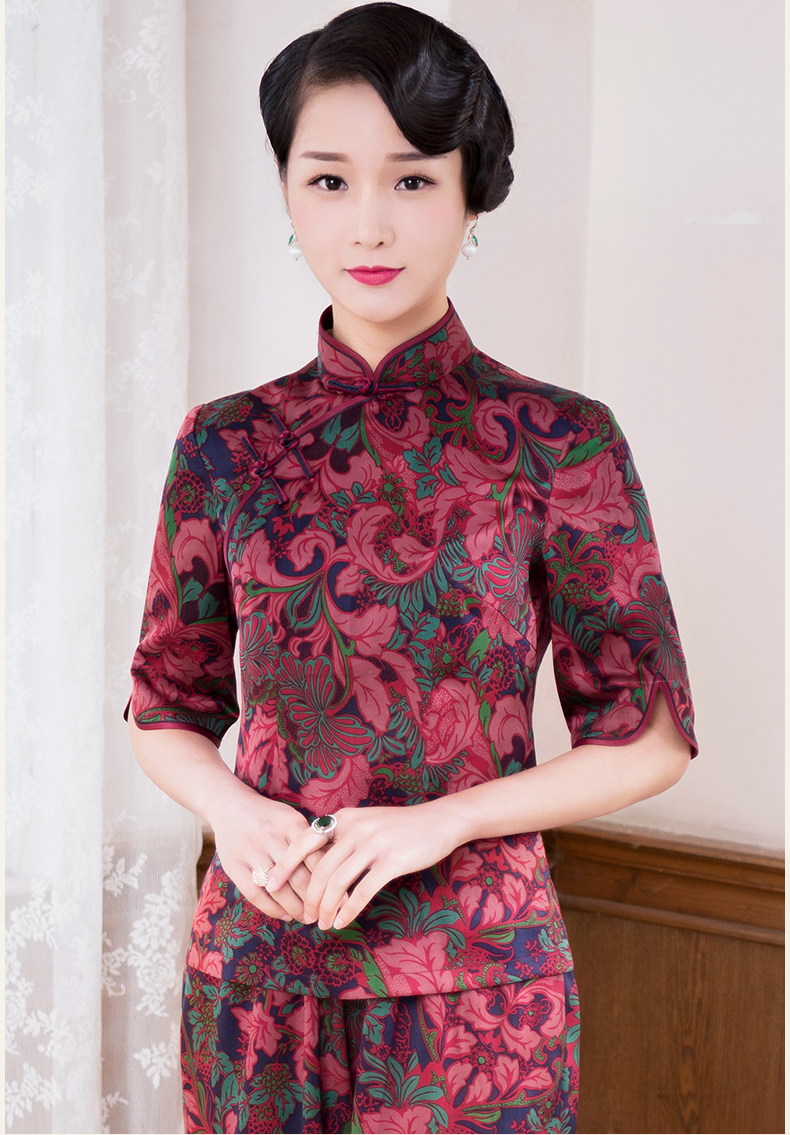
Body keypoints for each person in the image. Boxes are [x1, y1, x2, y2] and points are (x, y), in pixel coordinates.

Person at [127, 4, 697, 1132]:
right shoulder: (224, 442)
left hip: (479, 989)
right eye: (328, 180)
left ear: (472, 193)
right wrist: (231, 810)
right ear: (288, 195)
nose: (369, 222)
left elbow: (651, 736)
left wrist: (445, 819)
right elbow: (164, 703)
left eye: (413, 179)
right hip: (256, 973)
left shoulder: (559, 439)